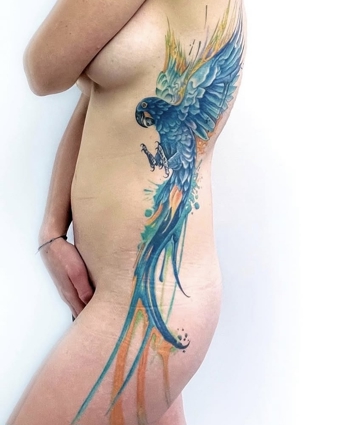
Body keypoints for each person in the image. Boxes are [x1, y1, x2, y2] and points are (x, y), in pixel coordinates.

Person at [7, 0, 246, 423]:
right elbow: (100, 99)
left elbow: (42, 71)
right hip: (122, 298)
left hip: (148, 302)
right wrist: (53, 227)